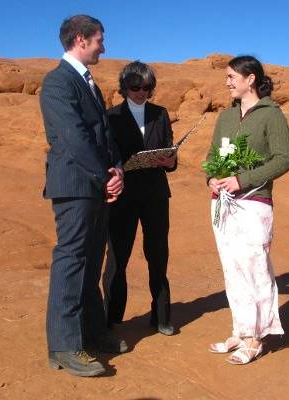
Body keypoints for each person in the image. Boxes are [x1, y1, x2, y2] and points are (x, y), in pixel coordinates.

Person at [40, 14, 127, 377]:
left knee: (91, 262)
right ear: (80, 40)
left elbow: (104, 133)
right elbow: (74, 137)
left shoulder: (87, 82)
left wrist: (118, 168)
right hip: (76, 186)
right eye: (98, 40)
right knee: (72, 262)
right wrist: (103, 175)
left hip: (95, 186)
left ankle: (91, 333)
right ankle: (64, 345)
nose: (103, 47)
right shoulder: (58, 82)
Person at [205, 55, 289, 364]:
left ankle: (256, 338)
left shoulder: (272, 115)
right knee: (232, 268)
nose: (227, 82)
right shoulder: (226, 117)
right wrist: (212, 178)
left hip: (255, 203)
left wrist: (242, 180)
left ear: (250, 78)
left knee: (256, 267)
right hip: (222, 204)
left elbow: (283, 159)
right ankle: (240, 331)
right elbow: (213, 154)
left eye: (232, 77)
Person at [103, 61, 177, 336]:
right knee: (117, 258)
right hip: (123, 197)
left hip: (156, 195)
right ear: (124, 87)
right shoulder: (110, 117)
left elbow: (171, 155)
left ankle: (161, 317)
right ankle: (111, 318)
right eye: (135, 87)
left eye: (147, 87)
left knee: (158, 254)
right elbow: (106, 156)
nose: (141, 92)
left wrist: (170, 160)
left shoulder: (160, 114)